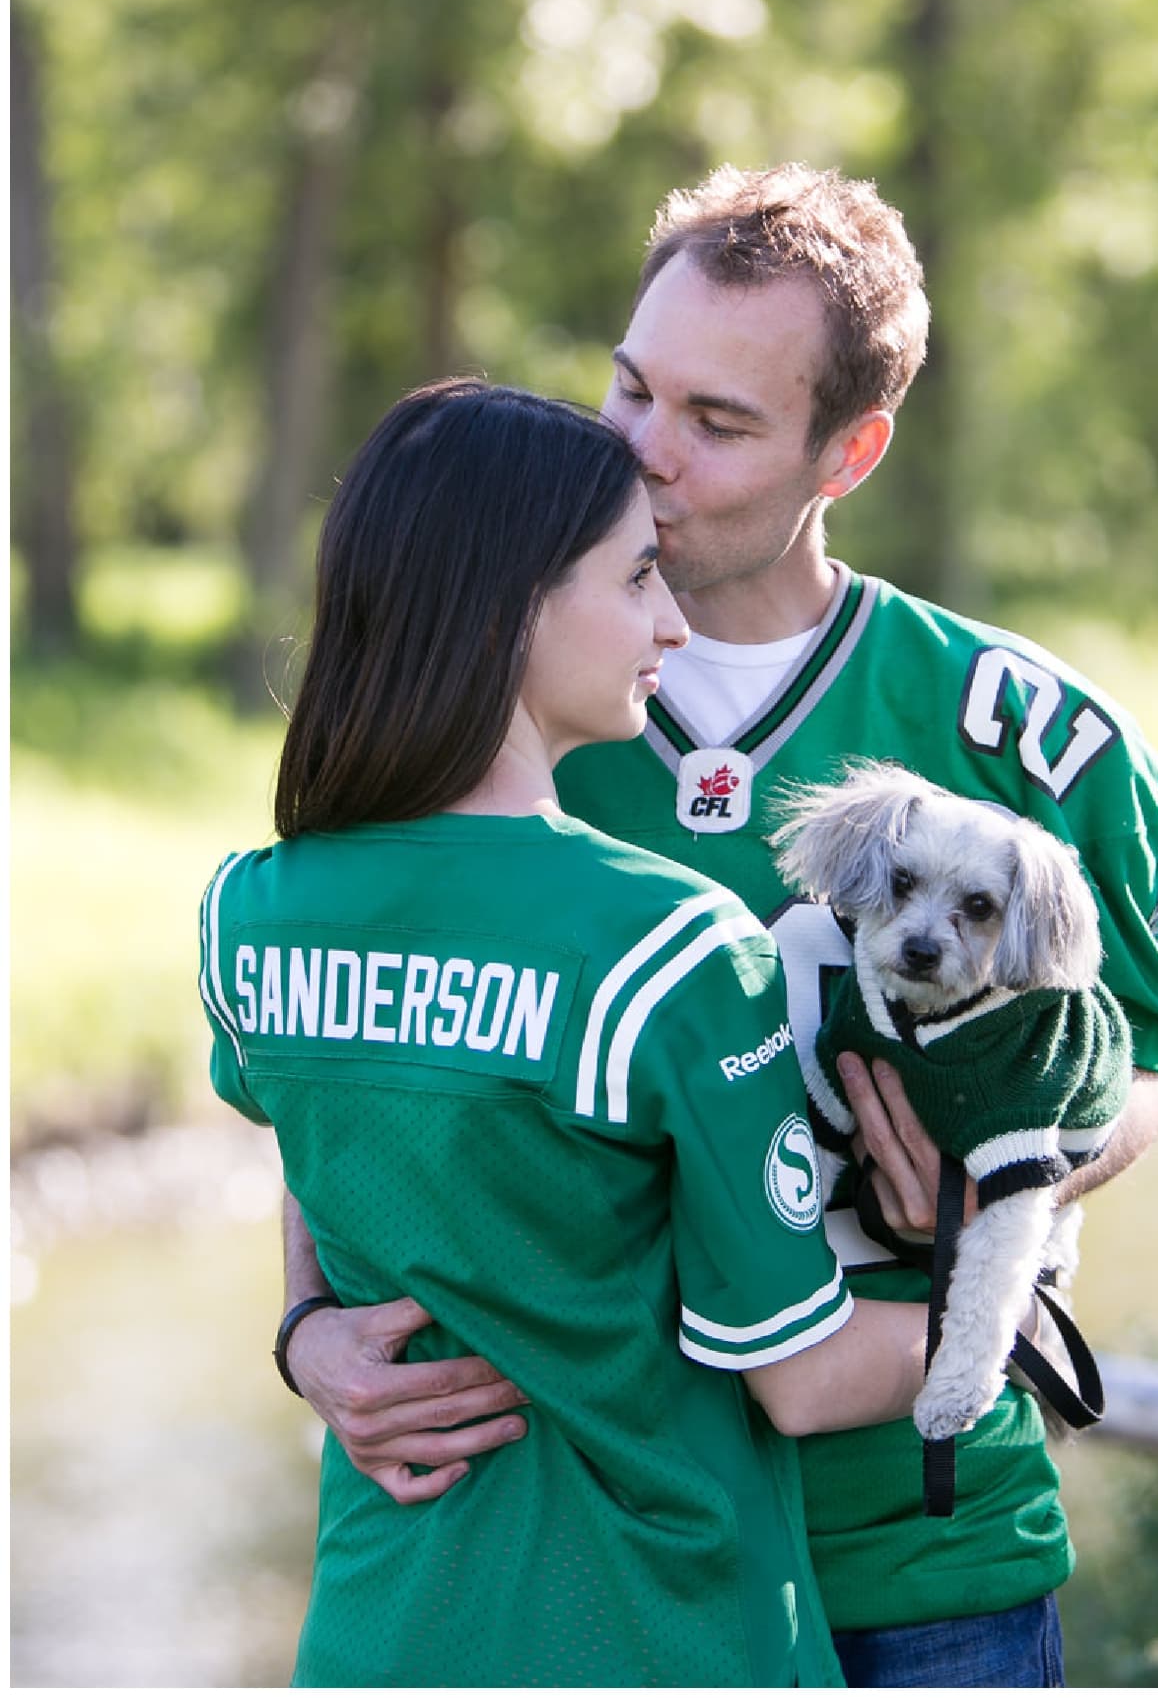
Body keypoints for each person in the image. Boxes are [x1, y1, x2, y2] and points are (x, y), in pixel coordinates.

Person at [281, 171, 1158, 1688]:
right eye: (630, 386)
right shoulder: (492, 699)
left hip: (917, 1551)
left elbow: (1144, 1057)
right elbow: (352, 1046)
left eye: (717, 423)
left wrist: (988, 1186)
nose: (641, 454)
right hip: (599, 1555)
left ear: (853, 449)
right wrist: (308, 1327)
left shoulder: (1032, 747)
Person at [200, 379, 935, 1688]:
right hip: (667, 1638)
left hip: (379, 1642)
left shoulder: (246, 918)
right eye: (638, 577)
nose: (671, 621)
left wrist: (307, 1327)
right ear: (509, 608)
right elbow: (804, 1379)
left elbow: (327, 1159)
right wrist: (1009, 1285)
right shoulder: (672, 950)